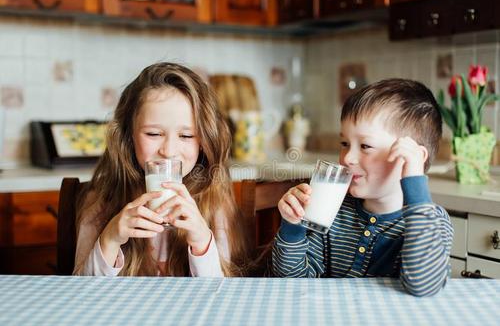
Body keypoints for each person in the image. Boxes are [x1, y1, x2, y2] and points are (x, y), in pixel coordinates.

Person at [272, 78, 454, 296]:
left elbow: (423, 286)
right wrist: (293, 229)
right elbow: (292, 281)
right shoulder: (333, 211)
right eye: (344, 144)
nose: (348, 157)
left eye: (366, 146)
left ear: (412, 157)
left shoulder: (430, 221)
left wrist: (415, 179)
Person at [73, 62, 248, 277]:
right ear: (128, 137)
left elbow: (220, 296)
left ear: (204, 141)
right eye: (154, 134)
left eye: (186, 136)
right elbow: (82, 294)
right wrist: (110, 239)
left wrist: (202, 242)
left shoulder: (214, 204)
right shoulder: (100, 204)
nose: (169, 151)